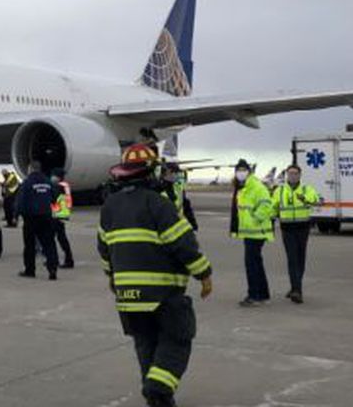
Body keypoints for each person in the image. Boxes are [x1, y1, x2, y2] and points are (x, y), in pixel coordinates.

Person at [98, 143, 213, 407]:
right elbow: (183, 244)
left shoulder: (110, 207)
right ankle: (158, 388)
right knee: (177, 339)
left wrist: (113, 279)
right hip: (163, 293)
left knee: (145, 344)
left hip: (128, 295)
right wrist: (204, 274)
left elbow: (104, 249)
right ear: (152, 172)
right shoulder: (158, 204)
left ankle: (157, 397)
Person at [272, 164, 321, 304]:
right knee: (292, 259)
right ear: (287, 175)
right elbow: (273, 207)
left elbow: (316, 200)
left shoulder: (307, 189)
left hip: (303, 228)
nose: (292, 176)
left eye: (295, 173)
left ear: (300, 175)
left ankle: (295, 285)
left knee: (300, 259)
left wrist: (305, 198)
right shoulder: (279, 191)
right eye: (290, 173)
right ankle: (297, 291)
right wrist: (268, 221)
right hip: (287, 228)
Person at [229, 159, 275, 307]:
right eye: (238, 170)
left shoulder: (255, 186)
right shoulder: (243, 188)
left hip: (256, 232)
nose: (240, 173)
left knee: (252, 265)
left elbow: (266, 205)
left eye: (243, 170)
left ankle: (255, 295)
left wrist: (255, 219)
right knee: (256, 263)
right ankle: (262, 294)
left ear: (249, 171)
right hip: (250, 233)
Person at [16, 162, 59, 280]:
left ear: (30, 169)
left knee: (29, 245)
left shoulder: (27, 182)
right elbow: (55, 198)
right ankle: (52, 269)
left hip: (30, 218)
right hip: (46, 216)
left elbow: (21, 200)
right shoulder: (47, 182)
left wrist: (16, 215)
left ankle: (30, 270)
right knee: (49, 244)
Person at [160, 163, 198, 231]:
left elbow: (186, 207)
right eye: (175, 172)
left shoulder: (178, 188)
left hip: (178, 227)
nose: (177, 175)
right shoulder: (157, 190)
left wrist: (193, 224)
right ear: (168, 172)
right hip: (165, 229)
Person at [50, 168, 74, 269]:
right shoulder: (65, 186)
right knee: (61, 238)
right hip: (62, 215)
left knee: (53, 238)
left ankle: (55, 260)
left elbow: (53, 200)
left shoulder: (57, 187)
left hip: (56, 215)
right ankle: (68, 259)